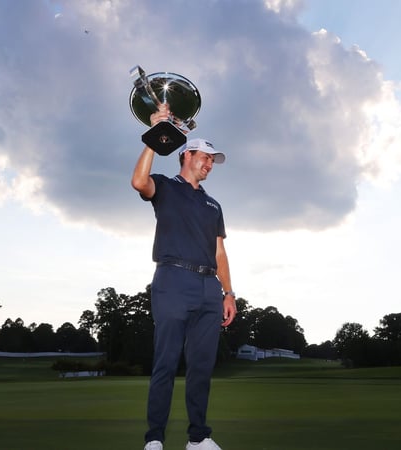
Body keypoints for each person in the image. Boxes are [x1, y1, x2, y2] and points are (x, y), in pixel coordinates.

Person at [131, 103, 237, 450]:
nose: (209, 164)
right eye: (205, 157)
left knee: (201, 368)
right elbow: (138, 181)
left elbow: (220, 252)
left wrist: (229, 293)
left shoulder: (213, 205)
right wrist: (155, 136)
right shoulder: (165, 187)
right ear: (186, 154)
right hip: (173, 281)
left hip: (209, 288)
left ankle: (198, 438)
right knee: (165, 363)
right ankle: (155, 439)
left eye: (212, 160)